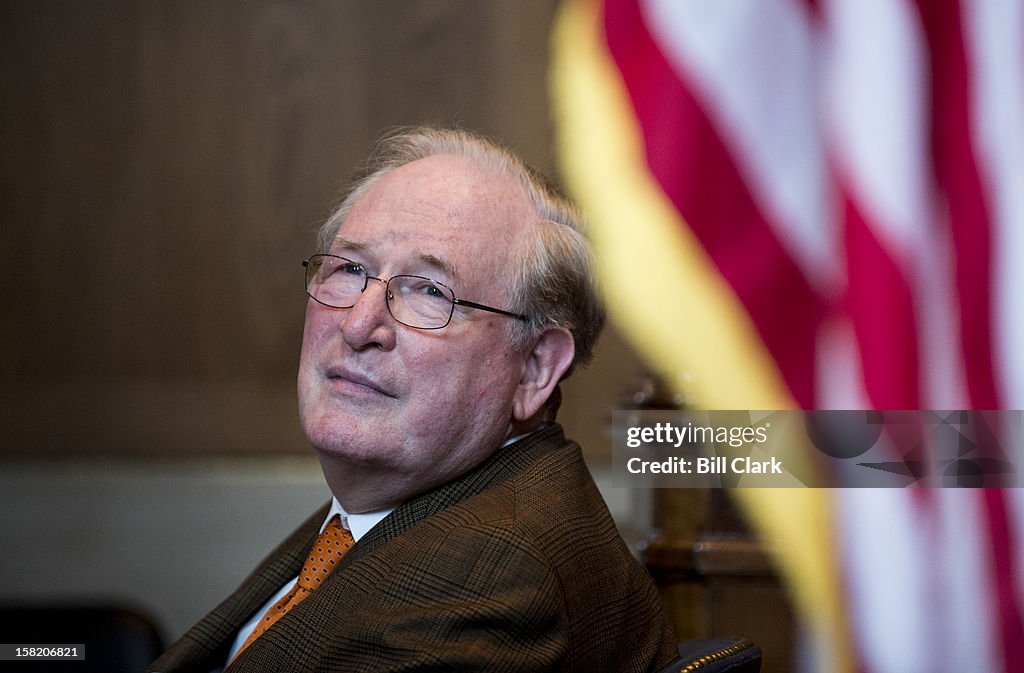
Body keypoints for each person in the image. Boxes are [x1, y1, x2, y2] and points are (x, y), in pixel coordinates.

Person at [147, 126, 678, 672]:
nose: (358, 325)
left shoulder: (489, 575)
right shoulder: (391, 512)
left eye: (429, 292)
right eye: (351, 270)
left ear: (535, 368)